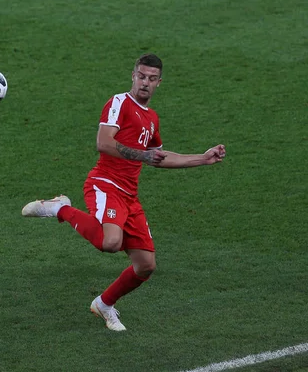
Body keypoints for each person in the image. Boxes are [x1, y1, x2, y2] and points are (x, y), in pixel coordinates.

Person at [22, 53, 226, 331]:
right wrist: (142, 155)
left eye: (151, 79)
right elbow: (103, 143)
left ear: (159, 83)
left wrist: (203, 158)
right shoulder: (120, 103)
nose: (145, 83)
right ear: (133, 76)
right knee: (111, 242)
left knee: (146, 265)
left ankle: (104, 304)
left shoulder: (152, 118)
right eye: (141, 76)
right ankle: (60, 208)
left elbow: (158, 157)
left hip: (129, 196)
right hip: (105, 182)